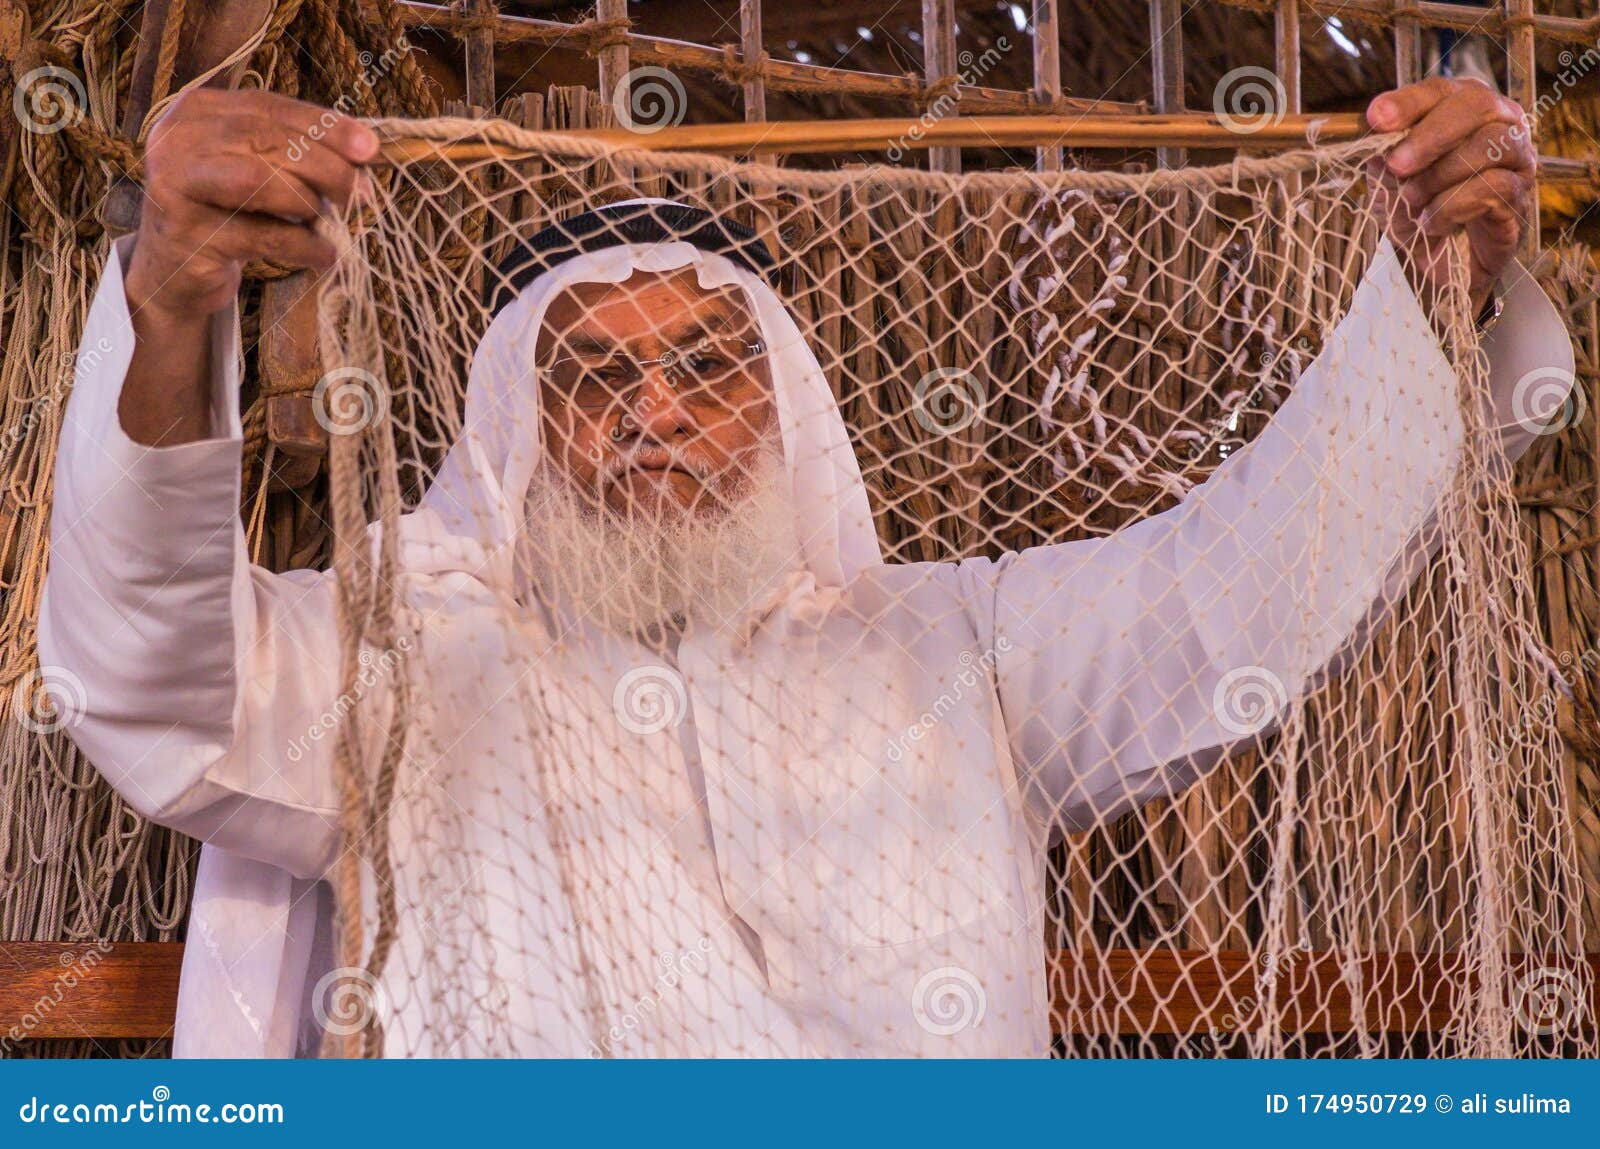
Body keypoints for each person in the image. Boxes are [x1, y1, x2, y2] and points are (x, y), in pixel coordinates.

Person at [38, 81, 1572, 1057]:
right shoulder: (391, 664)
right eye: (590, 376)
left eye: (710, 366)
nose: (654, 413)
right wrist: (172, 302)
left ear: (788, 409)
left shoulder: (953, 647)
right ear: (510, 430)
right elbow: (146, 672)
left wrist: (1436, 289)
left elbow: (1236, 588)